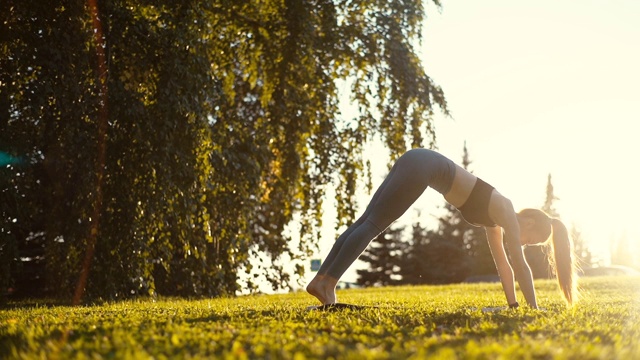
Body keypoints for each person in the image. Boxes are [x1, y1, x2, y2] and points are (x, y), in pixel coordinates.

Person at [307, 148, 577, 309]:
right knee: (373, 224)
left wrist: (515, 305)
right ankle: (327, 283)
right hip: (423, 166)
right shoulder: (505, 208)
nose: (524, 243)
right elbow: (519, 263)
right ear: (529, 222)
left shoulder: (495, 222)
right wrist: (534, 308)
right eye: (532, 240)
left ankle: (321, 281)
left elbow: (505, 267)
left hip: (417, 161)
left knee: (365, 222)